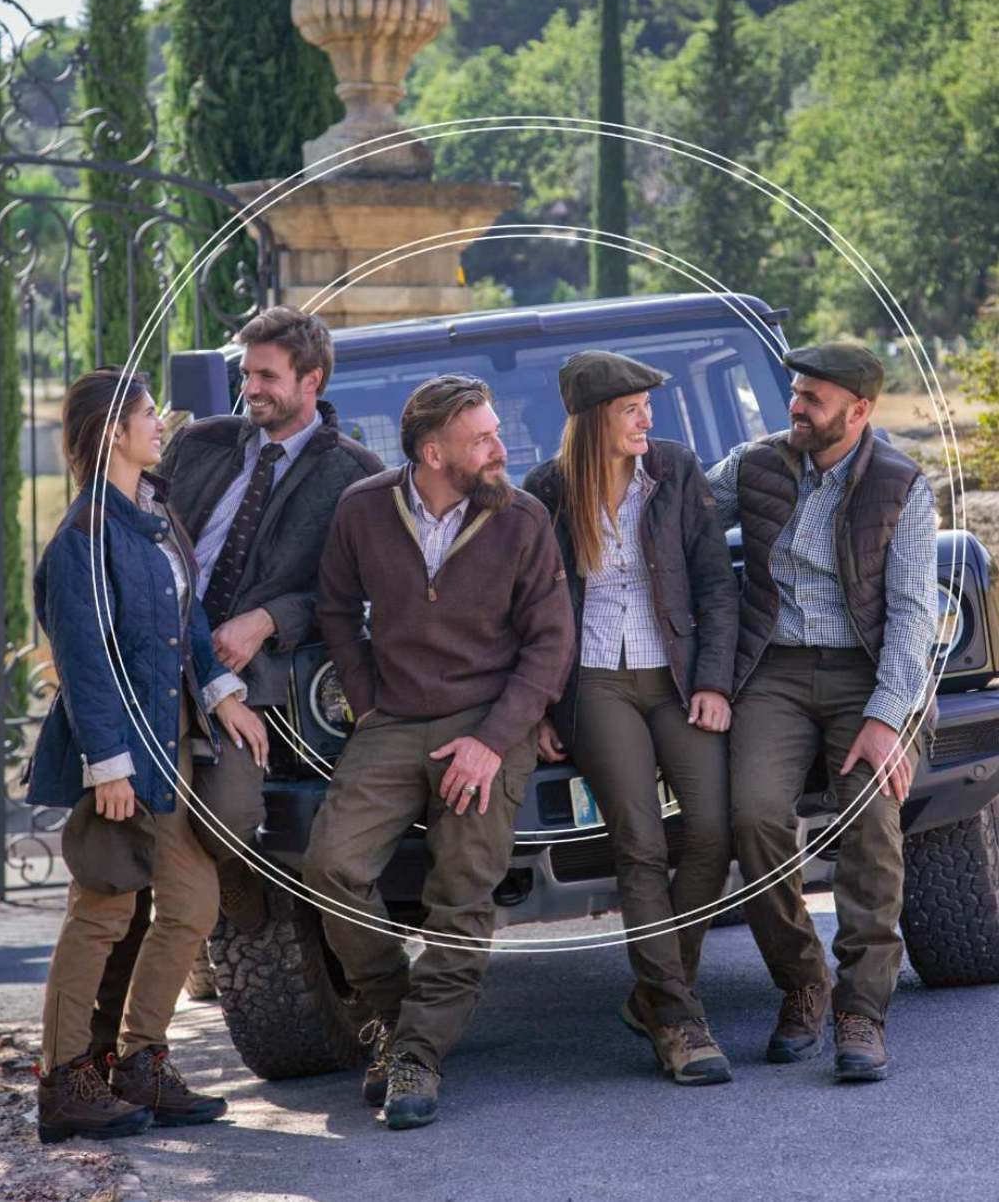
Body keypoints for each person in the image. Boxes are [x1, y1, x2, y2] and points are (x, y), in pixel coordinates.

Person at [89, 306, 382, 1064]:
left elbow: (348, 591)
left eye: (265, 376)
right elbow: (130, 517)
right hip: (156, 654)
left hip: (250, 678)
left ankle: (220, 915)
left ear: (310, 380)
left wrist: (267, 620)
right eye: (245, 373)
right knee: (119, 847)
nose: (248, 388)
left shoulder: (355, 475)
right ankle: (109, 1036)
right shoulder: (201, 442)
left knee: (230, 812)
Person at [305, 374, 575, 1130]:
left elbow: (551, 643)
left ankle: (417, 1057)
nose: (500, 448)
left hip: (490, 723)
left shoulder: (522, 518)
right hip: (392, 723)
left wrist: (492, 743)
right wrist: (366, 699)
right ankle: (399, 1020)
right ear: (432, 452)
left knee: (461, 888)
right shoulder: (362, 510)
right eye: (482, 438)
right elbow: (334, 607)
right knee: (331, 869)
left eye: (496, 432)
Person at [29, 369, 267, 1143]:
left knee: (193, 907)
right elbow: (86, 660)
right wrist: (109, 766)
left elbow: (188, 618)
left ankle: (139, 1064)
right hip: (124, 763)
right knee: (100, 912)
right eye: (145, 415)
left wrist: (225, 688)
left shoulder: (153, 514)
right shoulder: (83, 540)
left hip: (173, 756)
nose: (160, 423)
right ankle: (65, 1083)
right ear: (111, 434)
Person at [707, 342, 938, 1083]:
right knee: (752, 816)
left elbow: (910, 616)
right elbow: (672, 508)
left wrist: (886, 717)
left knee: (870, 817)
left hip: (865, 671)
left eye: (812, 398)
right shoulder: (756, 463)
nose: (795, 408)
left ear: (860, 411)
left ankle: (862, 1012)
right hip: (770, 670)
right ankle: (804, 982)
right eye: (795, 393)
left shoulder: (903, 486)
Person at [523, 350, 739, 1087]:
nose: (647, 419)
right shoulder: (547, 492)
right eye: (631, 409)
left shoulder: (676, 471)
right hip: (595, 684)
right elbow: (532, 612)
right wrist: (542, 709)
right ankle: (678, 1022)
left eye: (649, 406)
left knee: (713, 829)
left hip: (676, 677)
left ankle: (654, 990)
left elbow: (715, 584)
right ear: (593, 421)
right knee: (641, 844)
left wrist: (714, 681)